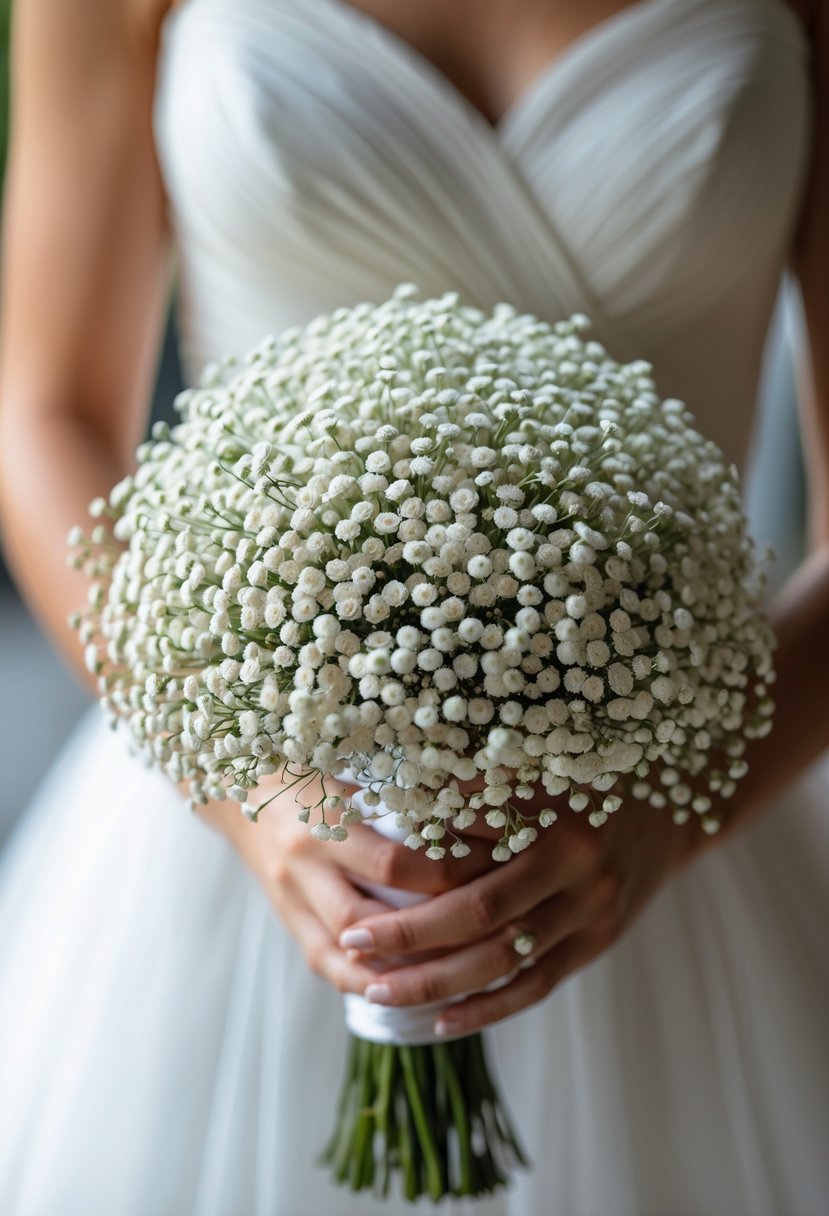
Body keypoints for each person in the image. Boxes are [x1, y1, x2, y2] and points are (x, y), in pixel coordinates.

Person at [0, 0, 826, 1211]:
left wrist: (670, 820)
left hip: (671, 861)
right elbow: (44, 411)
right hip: (250, 844)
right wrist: (244, 799)